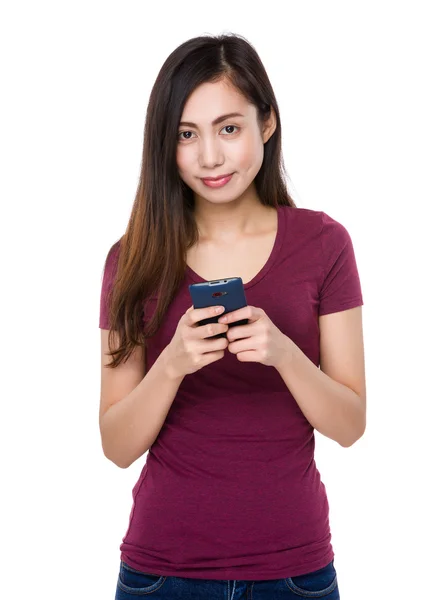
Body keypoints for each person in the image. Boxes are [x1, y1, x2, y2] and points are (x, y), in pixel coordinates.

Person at [99, 32, 365, 600]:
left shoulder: (324, 244)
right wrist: (170, 366)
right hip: (162, 573)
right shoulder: (132, 260)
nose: (211, 157)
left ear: (266, 123)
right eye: (186, 135)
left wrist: (286, 355)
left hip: (294, 573)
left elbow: (351, 425)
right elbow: (116, 446)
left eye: (229, 128)